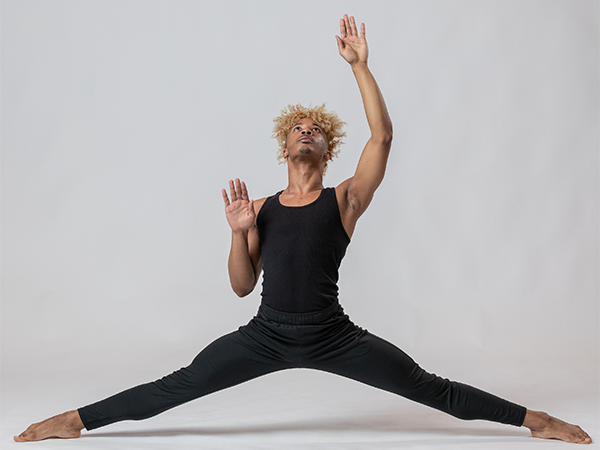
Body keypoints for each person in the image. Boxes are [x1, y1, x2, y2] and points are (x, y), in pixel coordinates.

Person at [14, 15, 591, 444]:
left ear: (326, 146)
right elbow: (241, 287)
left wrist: (360, 67)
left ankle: (535, 420)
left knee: (428, 387)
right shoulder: (260, 205)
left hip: (333, 335)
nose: (307, 130)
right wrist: (239, 233)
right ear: (285, 144)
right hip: (265, 334)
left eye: (317, 128)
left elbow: (382, 139)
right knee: (177, 385)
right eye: (298, 127)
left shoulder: (344, 199)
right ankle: (76, 421)